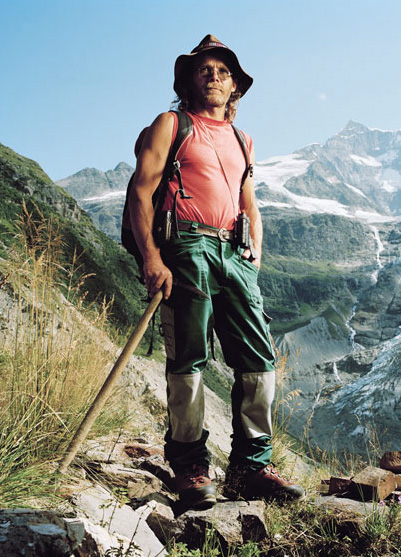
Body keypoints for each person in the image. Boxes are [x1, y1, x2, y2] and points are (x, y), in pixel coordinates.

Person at [128, 34, 303, 510]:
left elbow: (249, 202)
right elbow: (141, 192)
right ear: (188, 80)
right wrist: (152, 257)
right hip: (186, 246)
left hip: (234, 252)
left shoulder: (244, 140)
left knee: (259, 360)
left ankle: (251, 468)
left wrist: (256, 255)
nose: (214, 76)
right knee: (187, 360)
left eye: (223, 71)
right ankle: (189, 466)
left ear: (235, 88)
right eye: (204, 69)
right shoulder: (172, 124)